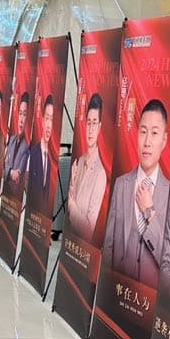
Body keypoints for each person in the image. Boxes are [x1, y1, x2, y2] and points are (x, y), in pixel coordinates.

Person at [103, 98, 170, 286]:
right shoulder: (121, 184)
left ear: (164, 140)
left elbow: (169, 261)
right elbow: (109, 245)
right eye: (143, 132)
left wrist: (149, 211)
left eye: (154, 133)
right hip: (119, 289)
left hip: (149, 296)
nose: (147, 142)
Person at [66, 93, 107, 244]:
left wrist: (71, 206)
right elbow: (70, 201)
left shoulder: (100, 172)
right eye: (88, 122)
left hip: (83, 246)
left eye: (94, 123)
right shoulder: (80, 161)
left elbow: (89, 229)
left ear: (100, 126)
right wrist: (72, 184)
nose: (90, 129)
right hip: (70, 241)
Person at [27, 94, 55, 216]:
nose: (49, 125)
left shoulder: (52, 159)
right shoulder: (33, 153)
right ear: (42, 121)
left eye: (52, 120)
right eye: (47, 118)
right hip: (31, 214)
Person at [4, 91, 30, 197]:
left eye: (24, 115)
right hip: (5, 191)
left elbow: (18, 176)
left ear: (28, 119)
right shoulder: (11, 140)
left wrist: (8, 170)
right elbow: (2, 167)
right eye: (20, 114)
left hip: (15, 196)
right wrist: (11, 171)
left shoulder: (27, 146)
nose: (21, 120)